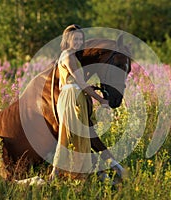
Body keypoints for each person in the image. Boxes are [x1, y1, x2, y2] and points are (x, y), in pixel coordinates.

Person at [49, 24, 110, 180]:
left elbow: (76, 83)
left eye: (80, 39)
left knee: (80, 136)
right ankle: (55, 175)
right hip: (71, 99)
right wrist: (101, 100)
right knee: (69, 135)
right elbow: (80, 83)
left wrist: (89, 89)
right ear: (68, 40)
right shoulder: (68, 56)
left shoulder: (72, 55)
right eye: (75, 39)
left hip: (76, 96)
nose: (78, 41)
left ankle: (79, 173)